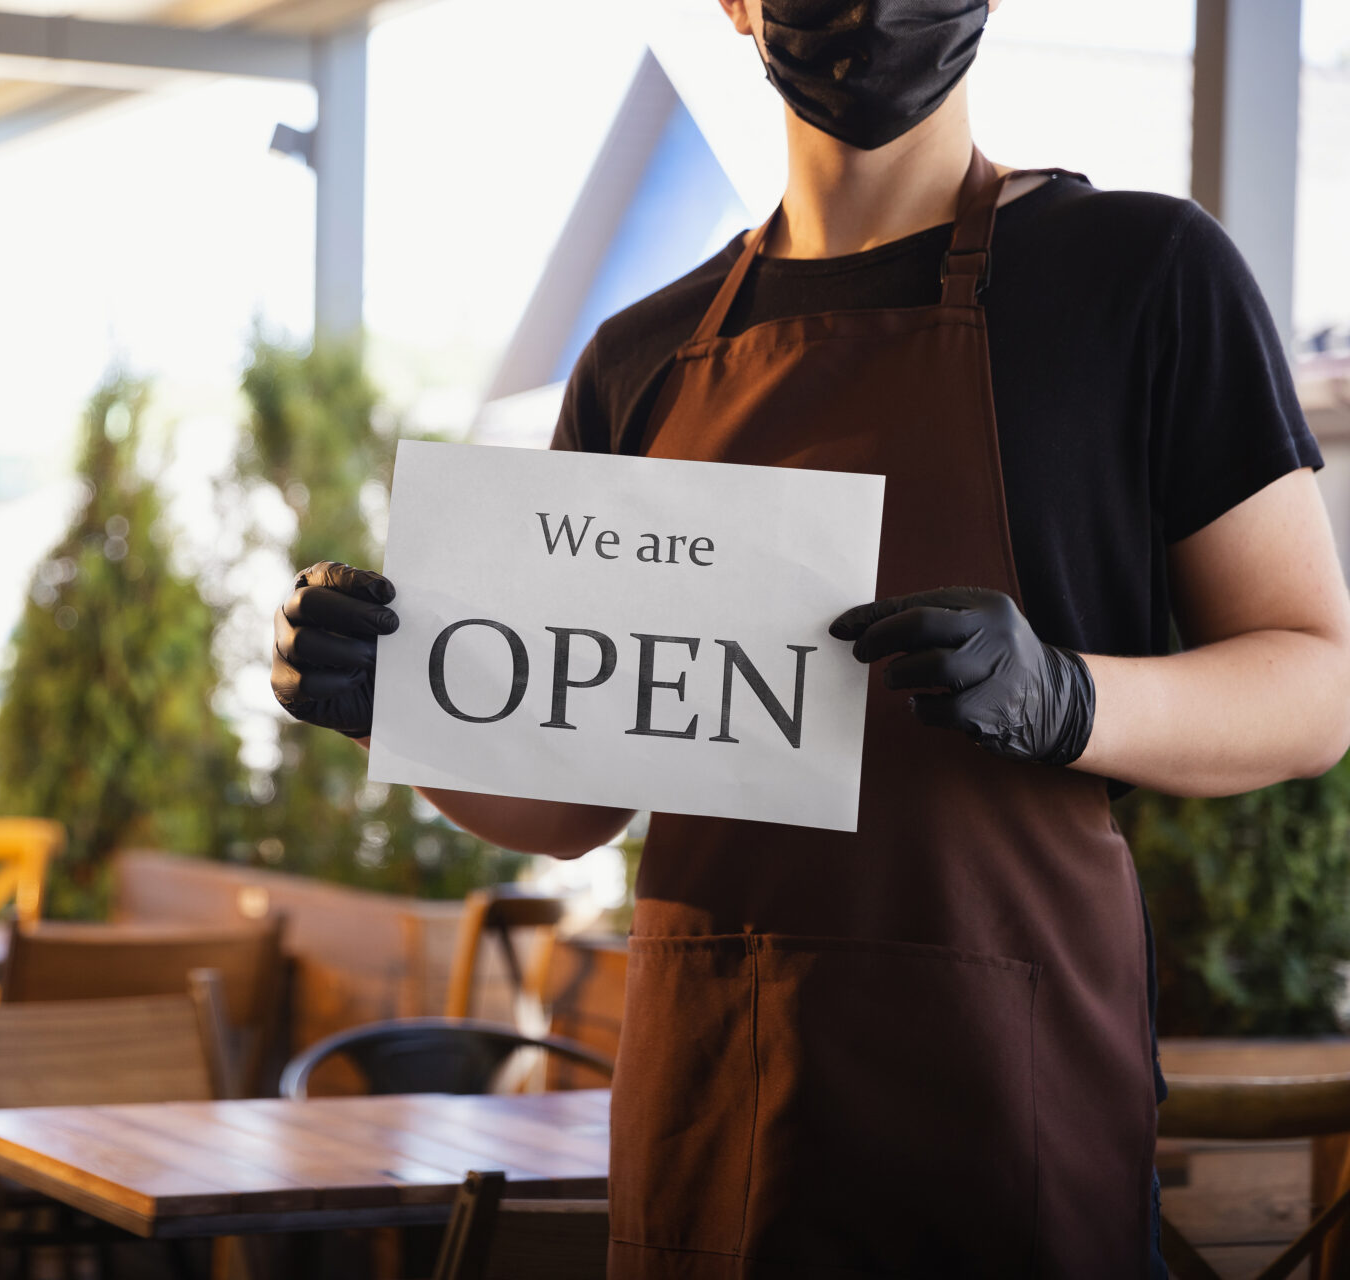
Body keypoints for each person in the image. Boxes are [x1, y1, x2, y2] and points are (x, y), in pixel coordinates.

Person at [269, 0, 1350, 1274]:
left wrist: (1068, 697)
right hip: (715, 1097)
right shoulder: (642, 357)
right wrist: (391, 699)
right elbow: (571, 806)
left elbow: (1315, 682)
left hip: (1010, 1104)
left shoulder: (1145, 275)